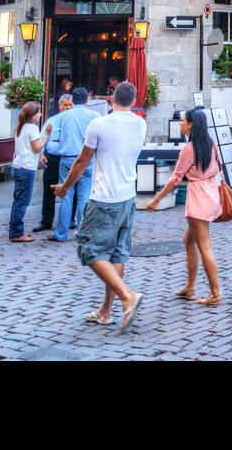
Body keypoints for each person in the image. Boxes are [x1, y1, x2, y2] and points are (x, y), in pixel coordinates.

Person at [54, 81, 146, 332]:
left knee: (88, 249)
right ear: (133, 99)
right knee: (116, 253)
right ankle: (106, 311)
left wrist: (64, 188)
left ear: (112, 98)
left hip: (105, 198)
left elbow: (82, 161)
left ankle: (127, 296)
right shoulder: (140, 123)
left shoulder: (99, 124)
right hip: (128, 197)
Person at [147, 109, 224, 306]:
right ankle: (190, 287)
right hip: (210, 191)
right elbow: (218, 167)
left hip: (199, 196)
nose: (180, 123)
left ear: (190, 125)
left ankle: (215, 291)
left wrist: (157, 199)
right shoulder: (210, 143)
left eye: (182, 120)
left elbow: (175, 178)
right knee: (188, 240)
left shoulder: (189, 149)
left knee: (204, 246)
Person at [50, 88, 100, 243]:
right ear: (87, 100)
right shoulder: (95, 116)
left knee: (65, 195)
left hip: (67, 158)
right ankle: (82, 232)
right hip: (87, 159)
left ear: (73, 100)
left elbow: (54, 141)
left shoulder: (62, 117)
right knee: (84, 196)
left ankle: (61, 234)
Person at [35, 95, 73, 232]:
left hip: (69, 157)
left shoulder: (75, 120)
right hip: (53, 158)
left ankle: (70, 219)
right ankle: (46, 220)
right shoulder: (52, 120)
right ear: (59, 106)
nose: (68, 107)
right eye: (65, 105)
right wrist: (41, 154)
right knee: (49, 188)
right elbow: (41, 137)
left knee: (71, 188)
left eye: (70, 105)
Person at [9, 102, 45, 243]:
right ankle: (17, 233)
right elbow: (36, 148)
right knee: (22, 202)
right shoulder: (32, 128)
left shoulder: (21, 127)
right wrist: (46, 136)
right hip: (26, 168)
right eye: (38, 112)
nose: (40, 115)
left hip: (18, 165)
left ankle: (15, 230)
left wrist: (41, 155)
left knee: (18, 201)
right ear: (32, 115)